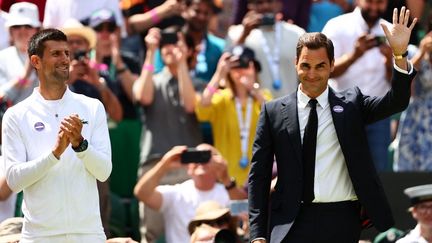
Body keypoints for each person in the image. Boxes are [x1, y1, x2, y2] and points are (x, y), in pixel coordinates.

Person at [248, 7, 416, 243]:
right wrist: (257, 235)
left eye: (320, 66)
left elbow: (396, 102)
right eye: (306, 66)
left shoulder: (352, 105)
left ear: (332, 65)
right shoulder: (273, 111)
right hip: (290, 223)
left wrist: (399, 54)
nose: (312, 74)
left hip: (342, 220)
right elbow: (259, 176)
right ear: (296, 63)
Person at [2, 29, 112, 242]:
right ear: (36, 61)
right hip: (39, 236)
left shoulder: (92, 107)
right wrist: (54, 154)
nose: (65, 60)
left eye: (66, 53)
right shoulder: (16, 115)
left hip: (89, 235)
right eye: (56, 54)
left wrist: (81, 145)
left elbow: (104, 171)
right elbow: (14, 181)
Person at [322, 0, 395, 171]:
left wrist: (388, 61)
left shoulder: (392, 31)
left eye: (380, 2)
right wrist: (353, 56)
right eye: (370, 1)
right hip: (342, 112)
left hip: (378, 114)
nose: (375, 8)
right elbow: (323, 71)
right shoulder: (337, 26)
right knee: (340, 173)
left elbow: (397, 83)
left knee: (378, 175)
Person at [196, 45, 271, 185]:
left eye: (245, 65)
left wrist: (253, 89)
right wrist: (219, 74)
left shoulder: (263, 97)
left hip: (258, 179)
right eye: (236, 67)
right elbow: (202, 108)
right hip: (225, 179)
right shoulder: (221, 98)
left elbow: (274, 118)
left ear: (255, 68)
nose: (241, 71)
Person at [133, 144, 230, 243]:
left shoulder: (228, 191)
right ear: (188, 167)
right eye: (196, 156)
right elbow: (142, 193)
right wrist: (164, 165)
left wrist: (226, 178)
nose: (200, 161)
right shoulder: (177, 193)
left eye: (206, 156)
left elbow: (242, 210)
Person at [226, 0, 305, 98]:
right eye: (259, 2)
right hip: (254, 110)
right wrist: (244, 35)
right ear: (250, 6)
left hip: (290, 108)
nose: (265, 6)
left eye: (270, 1)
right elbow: (226, 68)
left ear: (279, 4)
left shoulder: (297, 34)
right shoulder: (236, 33)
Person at [393, 28, 432, 171]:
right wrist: (422, 52)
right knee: (409, 166)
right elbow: (404, 80)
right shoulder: (414, 51)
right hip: (416, 114)